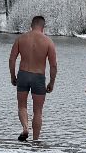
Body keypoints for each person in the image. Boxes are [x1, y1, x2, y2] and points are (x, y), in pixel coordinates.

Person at [8, 14, 57, 142]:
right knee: (38, 111)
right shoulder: (48, 41)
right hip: (39, 77)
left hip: (23, 74)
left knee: (22, 106)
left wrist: (13, 76)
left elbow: (12, 59)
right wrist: (52, 82)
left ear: (31, 25)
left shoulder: (21, 38)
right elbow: (53, 65)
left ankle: (25, 128)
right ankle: (35, 141)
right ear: (43, 27)